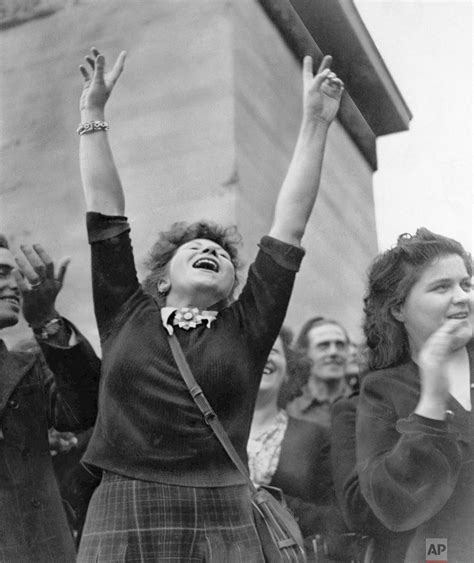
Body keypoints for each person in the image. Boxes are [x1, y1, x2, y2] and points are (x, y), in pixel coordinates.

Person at [76, 46, 343, 561]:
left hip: (224, 515)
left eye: (221, 253)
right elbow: (104, 210)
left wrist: (315, 123)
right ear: (159, 279)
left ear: (232, 287)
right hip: (123, 506)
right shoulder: (126, 310)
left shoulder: (247, 325)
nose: (208, 250)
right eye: (193, 248)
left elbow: (289, 224)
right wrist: (92, 114)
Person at [356, 228, 473, 562]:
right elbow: (394, 508)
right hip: (443, 555)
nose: (463, 296)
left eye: (466, 284)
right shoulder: (381, 389)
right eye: (441, 287)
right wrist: (433, 400)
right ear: (398, 309)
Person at [0, 236, 101, 562]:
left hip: (41, 548)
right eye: (1, 273)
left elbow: (83, 411)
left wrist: (45, 319)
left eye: (15, 274)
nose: (15, 285)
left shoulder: (27, 366)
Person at [248, 327, 334, 546]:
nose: (263, 356)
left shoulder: (316, 437)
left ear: (289, 371)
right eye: (254, 348)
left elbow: (335, 518)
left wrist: (270, 501)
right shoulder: (206, 433)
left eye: (273, 351)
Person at [287, 316, 351, 427]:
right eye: (323, 346)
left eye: (340, 345)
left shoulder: (369, 405)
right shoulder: (289, 409)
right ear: (305, 354)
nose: (333, 352)